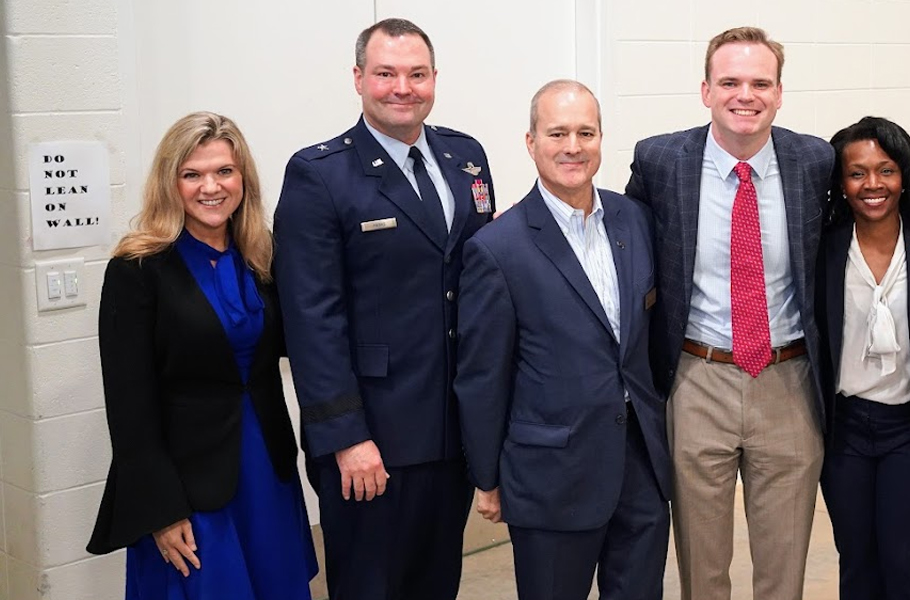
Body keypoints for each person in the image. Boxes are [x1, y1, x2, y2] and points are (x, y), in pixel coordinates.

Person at [273, 18, 496, 599]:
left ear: (434, 79)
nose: (403, 87)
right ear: (358, 79)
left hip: (451, 431)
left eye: (416, 74)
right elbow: (310, 318)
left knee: (438, 583)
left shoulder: (465, 157)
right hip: (374, 437)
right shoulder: (319, 174)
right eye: (386, 74)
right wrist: (346, 436)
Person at [624, 26, 835, 600]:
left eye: (760, 82)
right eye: (731, 82)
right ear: (706, 90)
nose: (746, 95)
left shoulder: (814, 161)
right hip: (696, 379)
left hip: (787, 381)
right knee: (702, 564)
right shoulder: (662, 159)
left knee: (784, 564)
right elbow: (622, 236)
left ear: (780, 92)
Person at [455, 80, 673, 600]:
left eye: (585, 132)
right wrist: (487, 478)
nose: (572, 146)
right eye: (557, 133)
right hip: (552, 476)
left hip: (640, 467)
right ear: (531, 142)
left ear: (601, 139)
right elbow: (482, 376)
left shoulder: (635, 219)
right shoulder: (497, 249)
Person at [87, 112, 318, 599]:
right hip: (188, 485)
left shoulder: (262, 256)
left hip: (266, 470)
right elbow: (129, 406)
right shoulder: (138, 269)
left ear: (243, 180)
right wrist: (160, 509)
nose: (210, 187)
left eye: (223, 172)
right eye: (192, 174)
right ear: (171, 183)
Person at [814, 116, 910, 600]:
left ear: (905, 176)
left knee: (906, 556)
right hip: (844, 428)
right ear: (840, 182)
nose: (872, 184)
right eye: (857, 173)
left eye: (886, 170)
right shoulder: (823, 249)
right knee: (856, 556)